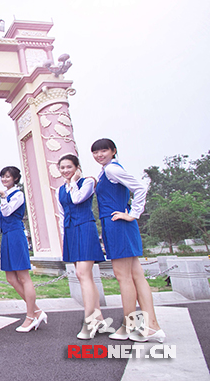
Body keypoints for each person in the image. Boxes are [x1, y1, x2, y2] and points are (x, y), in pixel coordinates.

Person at [91, 138, 165, 343]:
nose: (99, 155)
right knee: (136, 276)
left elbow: (140, 188)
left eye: (104, 150)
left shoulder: (111, 170)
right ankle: (152, 326)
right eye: (95, 152)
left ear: (113, 151)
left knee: (124, 277)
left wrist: (133, 214)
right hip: (118, 224)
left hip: (118, 224)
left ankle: (129, 326)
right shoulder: (107, 171)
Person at [55, 156, 106, 339]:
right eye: (62, 167)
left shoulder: (87, 183)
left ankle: (90, 322)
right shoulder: (59, 190)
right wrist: (64, 237)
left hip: (85, 227)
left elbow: (77, 199)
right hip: (71, 231)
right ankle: (98, 318)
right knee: (85, 276)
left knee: (83, 274)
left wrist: (74, 182)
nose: (65, 170)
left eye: (69, 167)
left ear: (77, 167)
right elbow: (61, 214)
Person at [0, 166, 45, 332]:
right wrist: (3, 196)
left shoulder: (18, 194)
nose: (4, 179)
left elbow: (7, 212)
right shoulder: (7, 194)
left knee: (23, 277)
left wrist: (3, 196)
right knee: (10, 278)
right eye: (2, 176)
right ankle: (37, 311)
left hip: (15, 234)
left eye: (8, 176)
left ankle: (30, 316)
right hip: (7, 235)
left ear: (15, 178)